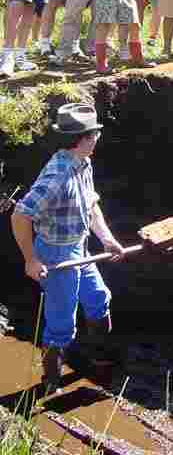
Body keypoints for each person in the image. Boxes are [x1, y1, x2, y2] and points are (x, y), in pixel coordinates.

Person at [11, 103, 126, 393]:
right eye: (94, 134)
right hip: (56, 253)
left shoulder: (83, 163)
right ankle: (50, 383)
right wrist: (31, 260)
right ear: (83, 138)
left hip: (79, 247)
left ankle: (99, 358)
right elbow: (20, 214)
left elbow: (91, 205)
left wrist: (108, 239)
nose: (97, 139)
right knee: (61, 324)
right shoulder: (58, 175)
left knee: (99, 298)